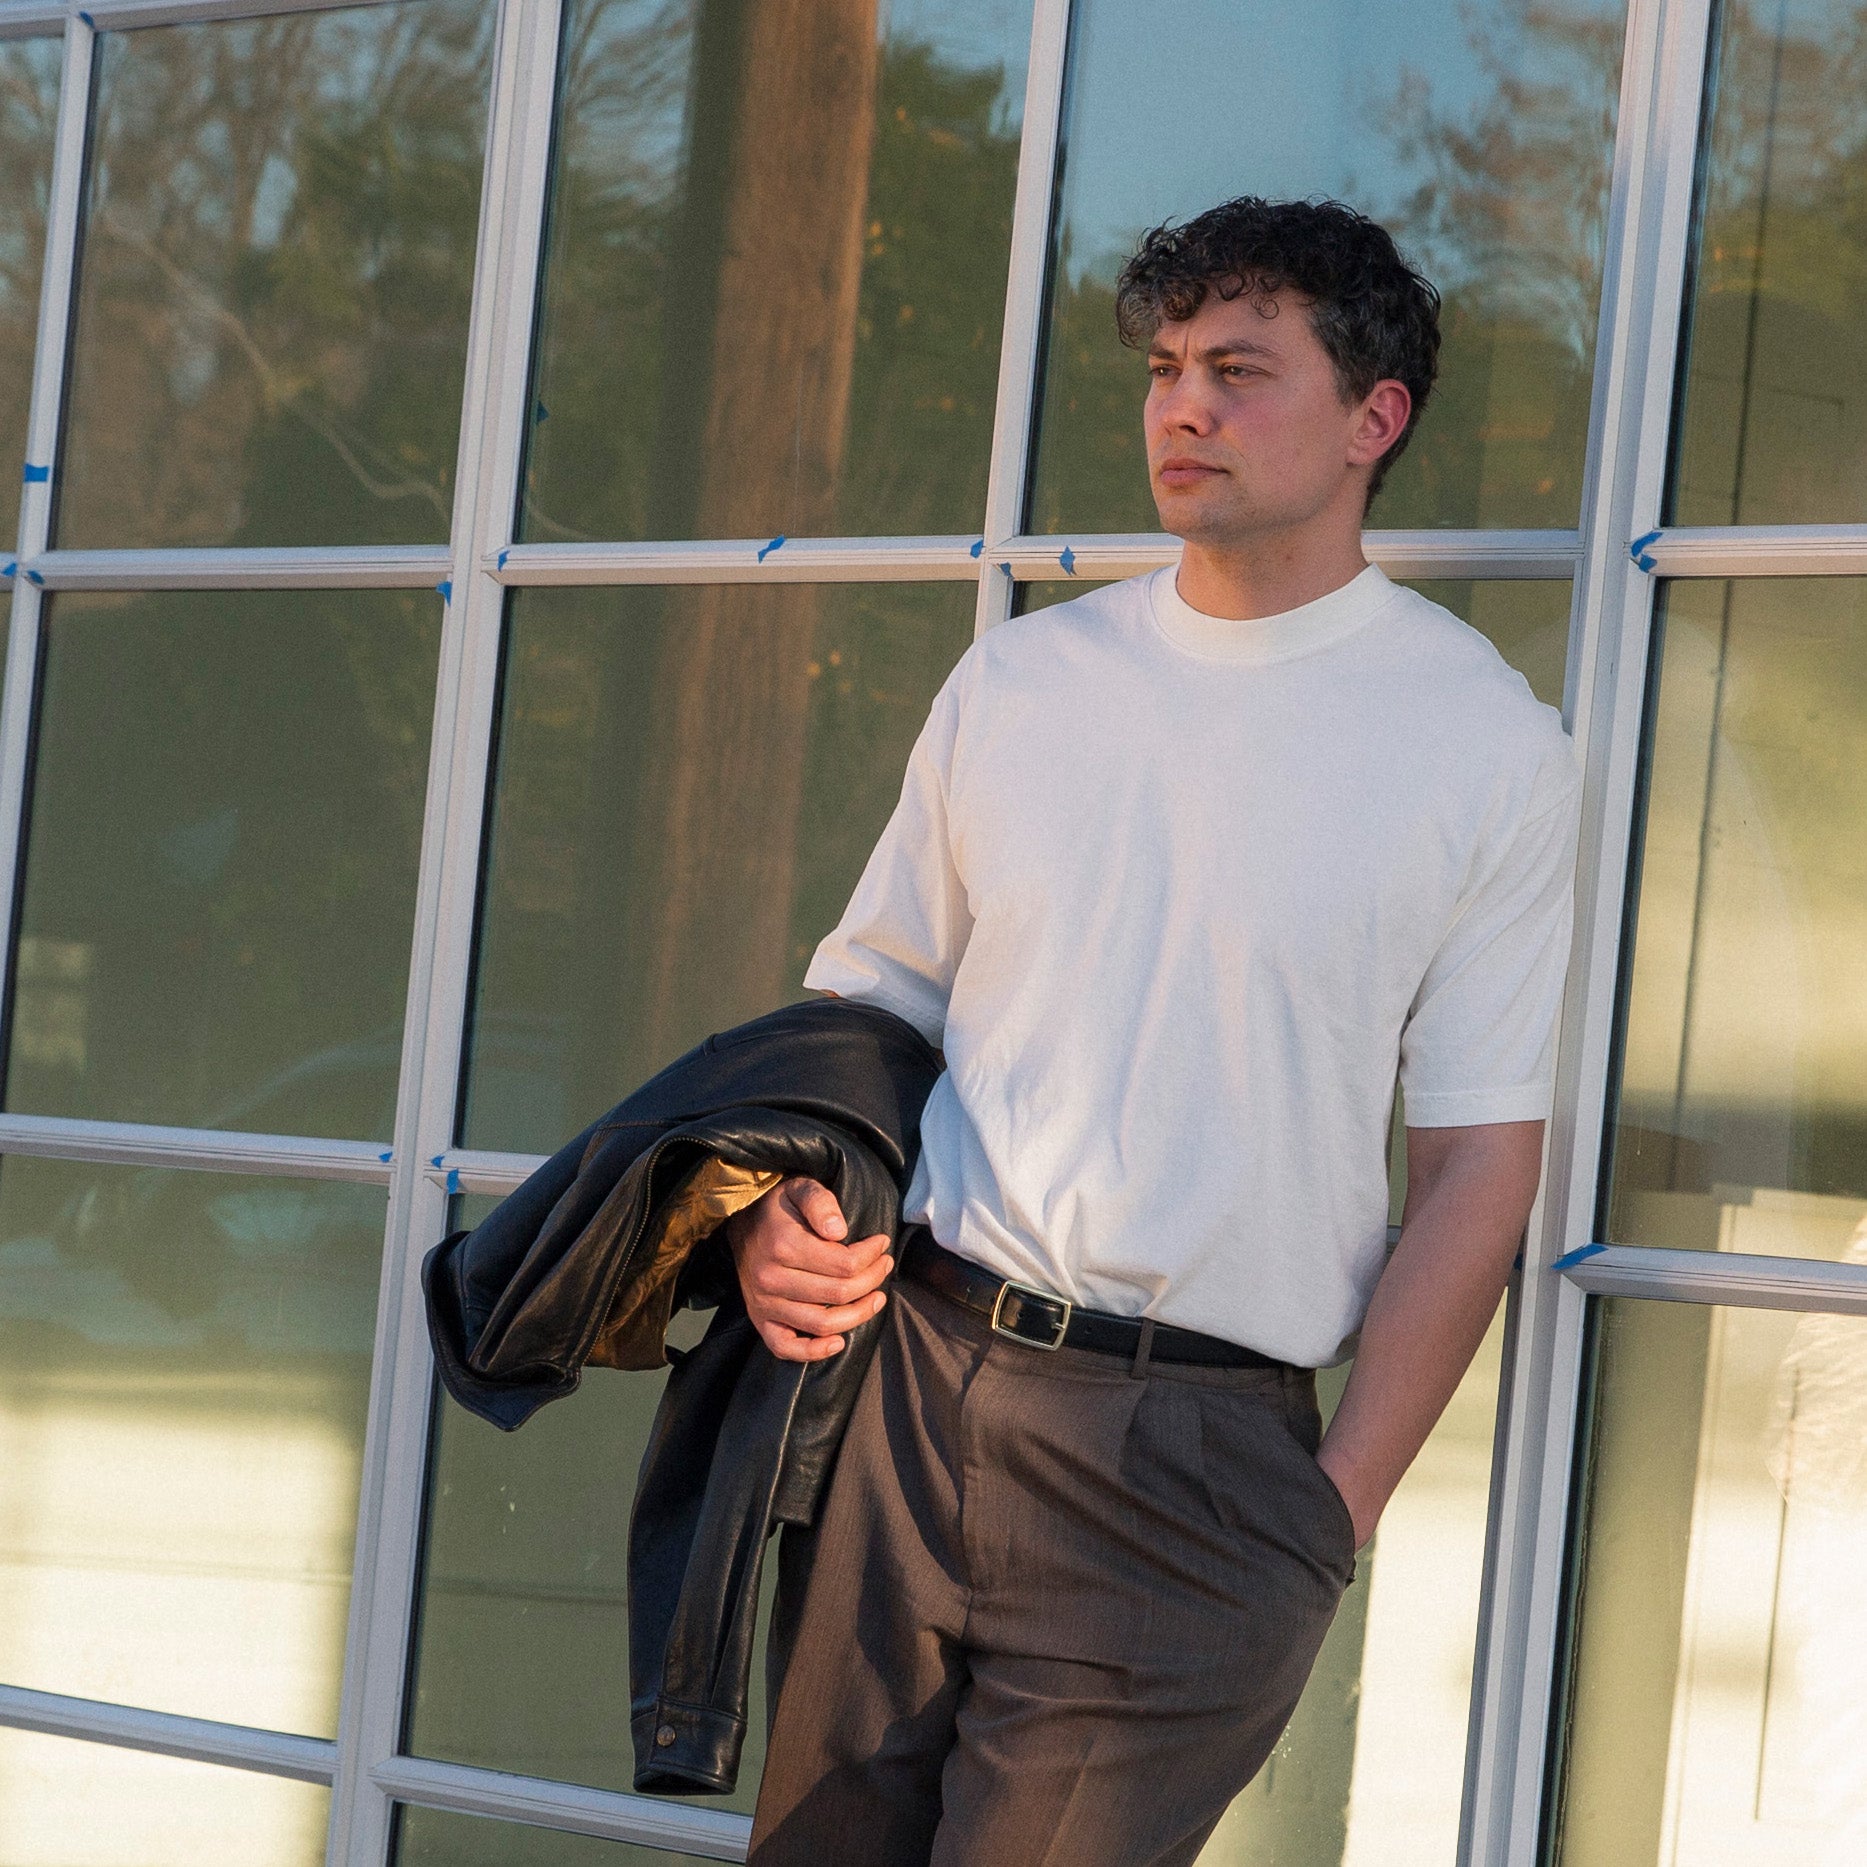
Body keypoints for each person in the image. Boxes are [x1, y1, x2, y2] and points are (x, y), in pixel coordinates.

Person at [726, 196, 1583, 1866]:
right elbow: (870, 1007)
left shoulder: (1484, 747)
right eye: (1169, 367)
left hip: (1193, 1466)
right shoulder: (1024, 685)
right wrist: (786, 1215)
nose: (1183, 406)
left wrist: (1330, 1516)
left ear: (1372, 420)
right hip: (910, 1388)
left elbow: (1481, 1161)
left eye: (1241, 371)